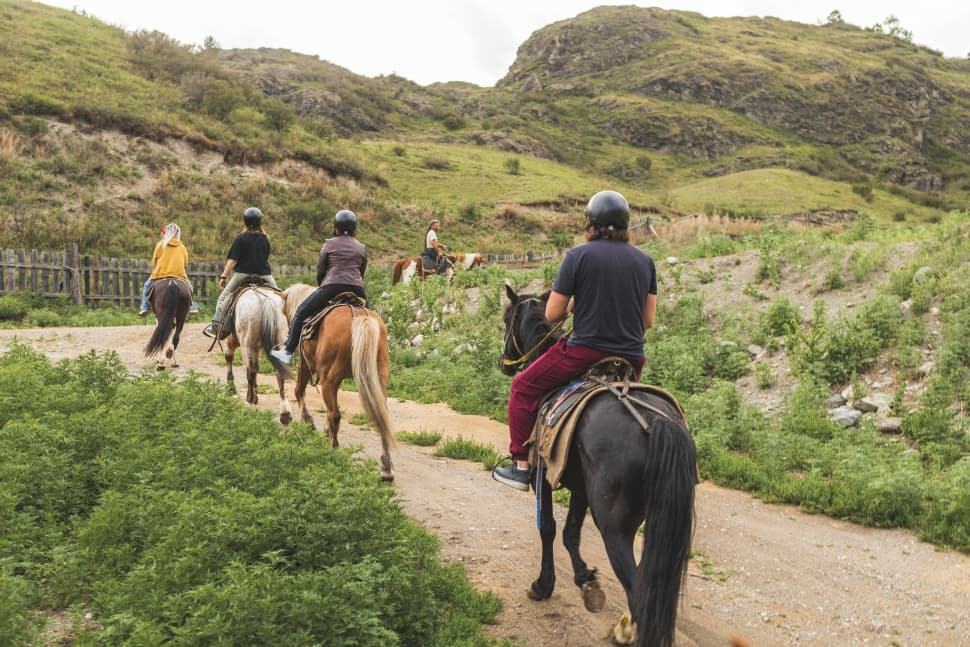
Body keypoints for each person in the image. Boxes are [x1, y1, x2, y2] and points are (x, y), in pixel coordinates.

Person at [492, 190, 658, 491]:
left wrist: (573, 305)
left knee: (522, 387)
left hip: (584, 353)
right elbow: (648, 321)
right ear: (624, 224)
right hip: (632, 359)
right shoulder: (645, 261)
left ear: (591, 224)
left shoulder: (578, 256)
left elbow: (553, 314)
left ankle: (520, 466)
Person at [270, 210, 367, 364]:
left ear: (336, 228)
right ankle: (383, 348)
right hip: (357, 289)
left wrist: (322, 284)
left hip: (332, 287)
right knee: (371, 318)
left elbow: (321, 269)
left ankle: (288, 351)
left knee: (301, 313)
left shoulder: (329, 243)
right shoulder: (361, 247)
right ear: (354, 229)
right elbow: (361, 271)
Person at [203, 207, 279, 339]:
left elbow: (232, 261)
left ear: (245, 221)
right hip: (264, 275)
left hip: (243, 274)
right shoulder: (265, 239)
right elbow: (265, 257)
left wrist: (224, 276)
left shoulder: (241, 239)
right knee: (280, 296)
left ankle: (217, 327)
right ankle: (285, 327)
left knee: (224, 297)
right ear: (260, 222)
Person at [138, 223, 199, 316]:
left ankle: (144, 307)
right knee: (190, 287)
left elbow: (154, 260)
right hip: (179, 275)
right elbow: (185, 262)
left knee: (146, 286)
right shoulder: (182, 247)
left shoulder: (161, 244)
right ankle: (191, 306)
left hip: (160, 274)